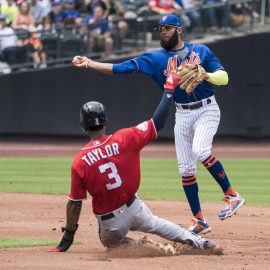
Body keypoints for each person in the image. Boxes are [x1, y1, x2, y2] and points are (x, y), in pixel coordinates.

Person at [72, 14, 245, 236]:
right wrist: (89, 63)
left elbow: (224, 78)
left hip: (206, 109)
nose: (162, 31)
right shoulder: (154, 59)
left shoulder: (200, 51)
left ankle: (232, 195)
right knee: (185, 169)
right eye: (159, 28)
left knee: (201, 150)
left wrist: (206, 75)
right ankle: (200, 221)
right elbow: (119, 68)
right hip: (182, 113)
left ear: (179, 29)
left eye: (167, 28)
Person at [52, 70, 218, 252]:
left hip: (111, 223)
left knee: (110, 243)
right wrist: (169, 90)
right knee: (157, 224)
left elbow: (75, 204)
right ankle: (201, 243)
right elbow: (158, 122)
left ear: (83, 127)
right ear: (106, 121)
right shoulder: (125, 137)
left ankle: (154, 249)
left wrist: (68, 235)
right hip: (135, 209)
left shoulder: (80, 161)